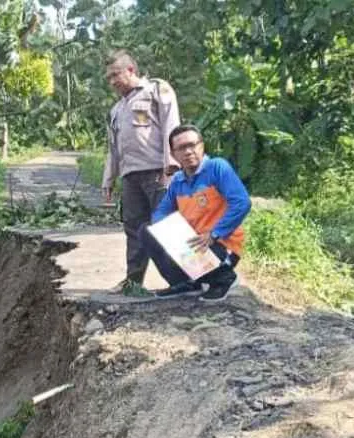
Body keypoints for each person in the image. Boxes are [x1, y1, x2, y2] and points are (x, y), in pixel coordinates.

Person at [139, 124, 251, 302]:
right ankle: (186, 283)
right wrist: (168, 232)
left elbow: (242, 203)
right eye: (182, 148)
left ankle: (224, 279)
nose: (189, 151)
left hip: (221, 244)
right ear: (174, 154)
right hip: (193, 244)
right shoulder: (177, 181)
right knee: (147, 230)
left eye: (193, 145)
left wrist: (214, 233)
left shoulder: (217, 168)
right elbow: (161, 212)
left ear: (202, 146)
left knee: (192, 246)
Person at [102, 50, 181, 295]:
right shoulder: (116, 110)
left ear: (131, 70)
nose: (113, 82)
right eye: (109, 78)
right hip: (131, 176)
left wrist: (171, 166)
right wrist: (108, 179)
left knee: (170, 227)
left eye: (116, 75)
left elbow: (172, 126)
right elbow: (113, 148)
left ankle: (191, 279)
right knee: (134, 228)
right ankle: (133, 282)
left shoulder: (156, 91)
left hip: (158, 172)